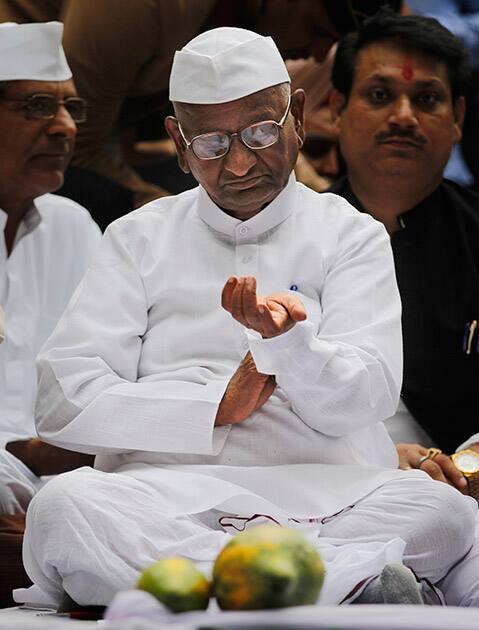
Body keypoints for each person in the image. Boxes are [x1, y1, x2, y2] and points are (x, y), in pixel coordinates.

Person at [22, 27, 476, 609]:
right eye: (210, 143)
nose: (238, 163)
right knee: (64, 510)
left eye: (261, 131)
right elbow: (63, 398)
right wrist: (213, 407)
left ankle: (184, 586)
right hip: (161, 496)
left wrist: (291, 348)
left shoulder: (350, 234)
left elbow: (371, 393)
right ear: (178, 145)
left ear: (300, 116)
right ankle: (341, 582)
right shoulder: (136, 238)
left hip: (327, 496)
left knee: (441, 513)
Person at [0, 0, 401, 229]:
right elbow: (76, 141)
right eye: (317, 28)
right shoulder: (142, 6)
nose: (316, 54)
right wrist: (161, 211)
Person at [328, 9, 479, 605]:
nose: (403, 117)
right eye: (380, 94)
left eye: (428, 98)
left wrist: (460, 465)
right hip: (316, 493)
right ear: (335, 110)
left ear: (459, 118)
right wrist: (373, 459)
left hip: (457, 499)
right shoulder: (279, 239)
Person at [0, 18, 101, 531]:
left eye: (71, 107)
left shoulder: (75, 228)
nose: (65, 126)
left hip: (71, 488)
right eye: (36, 106)